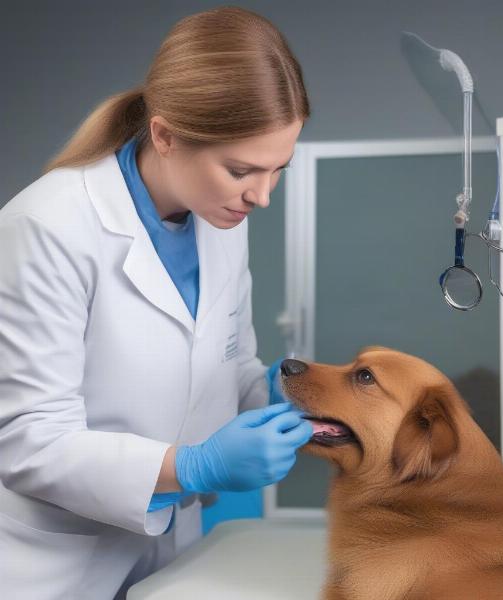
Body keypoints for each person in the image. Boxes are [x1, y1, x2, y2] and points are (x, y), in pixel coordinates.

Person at [0, 7, 314, 599]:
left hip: (171, 549)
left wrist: (278, 392)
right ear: (165, 135)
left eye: (280, 170)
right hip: (54, 560)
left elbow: (227, 364)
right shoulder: (47, 227)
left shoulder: (222, 217)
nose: (263, 196)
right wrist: (193, 467)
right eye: (242, 169)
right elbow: (30, 440)